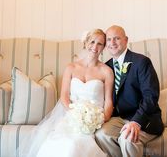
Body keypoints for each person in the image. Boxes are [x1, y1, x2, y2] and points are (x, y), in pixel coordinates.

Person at [24, 29, 114, 157]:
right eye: (92, 42)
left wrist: (98, 120)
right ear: (85, 43)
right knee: (57, 144)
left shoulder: (106, 71)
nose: (95, 47)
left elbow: (109, 102)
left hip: (95, 122)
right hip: (71, 118)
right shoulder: (71, 68)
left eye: (100, 44)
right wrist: (76, 115)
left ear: (104, 47)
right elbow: (64, 96)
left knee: (74, 146)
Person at [95, 25, 164, 157]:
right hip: (120, 119)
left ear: (126, 40)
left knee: (127, 138)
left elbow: (151, 96)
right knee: (100, 134)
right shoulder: (107, 67)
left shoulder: (142, 62)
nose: (112, 43)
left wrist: (136, 121)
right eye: (109, 39)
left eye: (117, 38)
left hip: (144, 119)